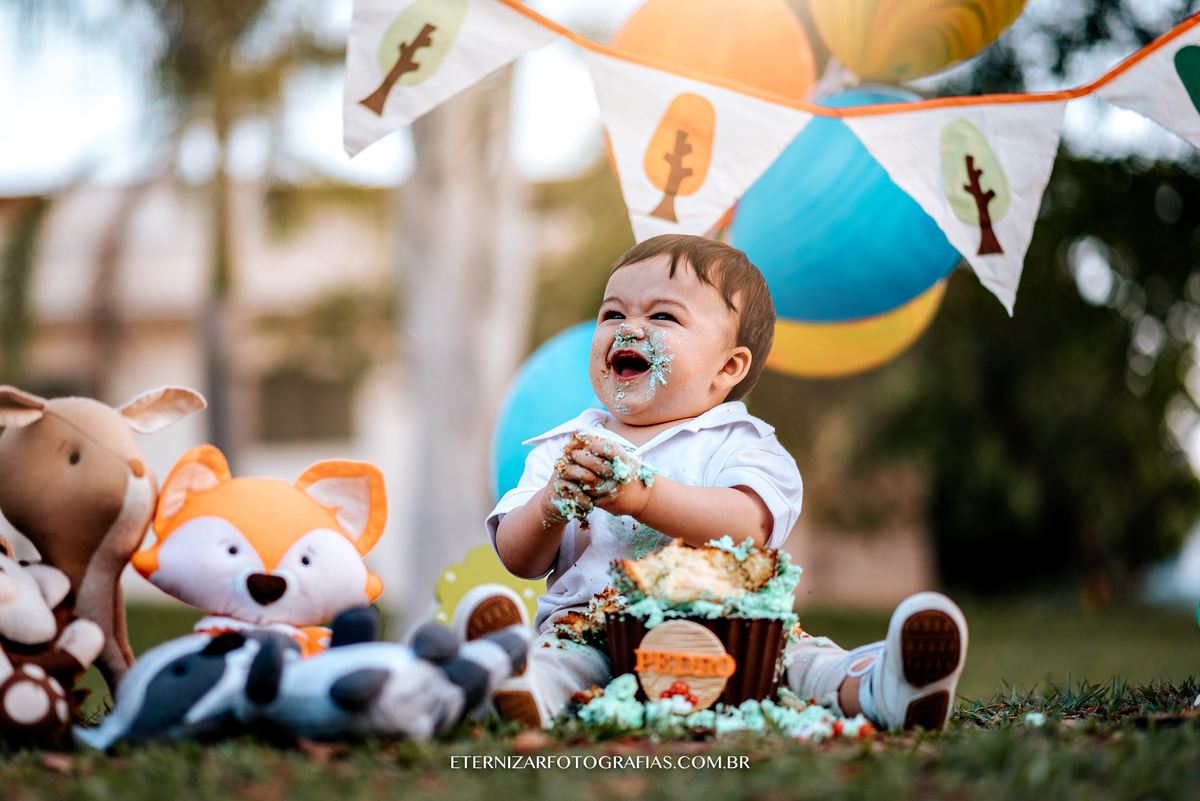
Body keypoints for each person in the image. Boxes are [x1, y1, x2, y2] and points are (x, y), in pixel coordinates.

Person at [462, 234, 967, 731]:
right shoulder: (565, 448)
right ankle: (520, 685)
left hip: (729, 631)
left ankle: (884, 685)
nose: (628, 327)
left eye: (662, 316)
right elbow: (517, 558)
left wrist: (644, 497)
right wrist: (554, 502)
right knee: (561, 664)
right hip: (592, 629)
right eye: (612, 313)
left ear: (728, 366)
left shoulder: (741, 443)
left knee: (799, 661)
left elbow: (747, 527)